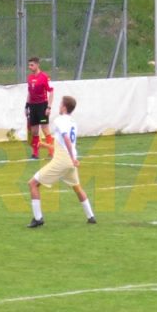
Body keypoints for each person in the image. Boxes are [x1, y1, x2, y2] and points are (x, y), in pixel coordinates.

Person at [27, 95, 96, 228]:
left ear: (64, 107)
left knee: (33, 183)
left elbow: (66, 140)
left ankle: (38, 218)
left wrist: (72, 158)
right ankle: (91, 216)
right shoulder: (73, 123)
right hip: (69, 160)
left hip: (65, 159)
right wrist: (47, 146)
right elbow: (62, 143)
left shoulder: (59, 120)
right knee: (77, 187)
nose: (58, 106)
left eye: (60, 104)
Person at [25, 56, 55, 159]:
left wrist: (49, 107)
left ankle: (51, 151)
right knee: (34, 131)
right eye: (29, 65)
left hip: (42, 106)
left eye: (32, 65)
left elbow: (51, 91)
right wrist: (27, 106)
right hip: (32, 107)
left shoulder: (44, 77)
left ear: (37, 65)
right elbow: (29, 92)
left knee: (45, 128)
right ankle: (35, 153)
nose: (30, 67)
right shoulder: (29, 78)